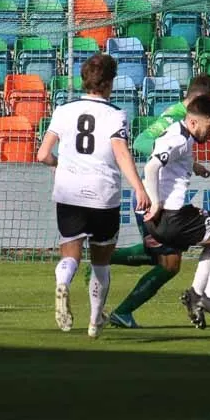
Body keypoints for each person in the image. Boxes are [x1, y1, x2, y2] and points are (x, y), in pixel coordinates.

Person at [36, 53, 151, 338]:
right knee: (101, 261)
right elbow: (121, 153)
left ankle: (63, 283)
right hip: (103, 194)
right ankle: (94, 320)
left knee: (70, 253)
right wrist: (139, 187)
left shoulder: (64, 110)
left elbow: (42, 154)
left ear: (84, 80)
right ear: (109, 83)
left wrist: (60, 164)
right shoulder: (115, 114)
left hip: (69, 191)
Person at [103, 74, 210, 329]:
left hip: (162, 201)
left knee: (162, 258)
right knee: (169, 263)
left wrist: (190, 163)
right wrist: (167, 154)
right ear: (200, 100)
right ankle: (113, 287)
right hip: (154, 200)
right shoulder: (175, 117)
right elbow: (141, 142)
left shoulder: (185, 121)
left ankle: (102, 260)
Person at [142, 95, 210, 329]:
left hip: (166, 219)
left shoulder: (178, 131)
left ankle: (195, 295)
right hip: (171, 217)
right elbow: (151, 166)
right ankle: (209, 296)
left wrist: (194, 166)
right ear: (194, 122)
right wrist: (155, 203)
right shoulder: (180, 139)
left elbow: (168, 156)